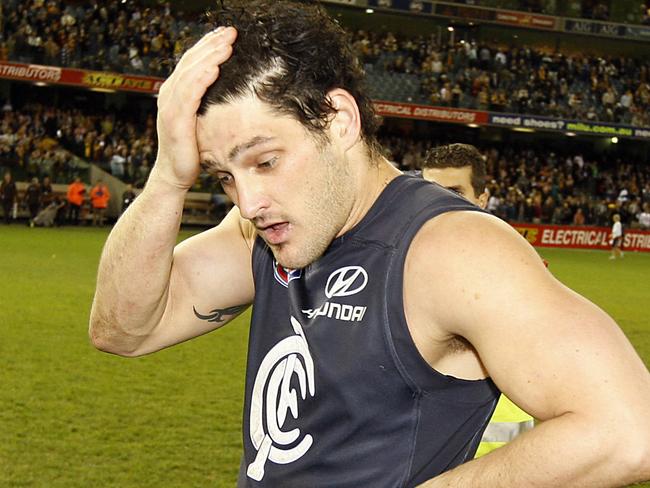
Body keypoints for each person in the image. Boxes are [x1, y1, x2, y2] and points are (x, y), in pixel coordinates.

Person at [89, 2, 650, 487]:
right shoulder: (262, 232)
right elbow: (123, 329)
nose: (248, 199)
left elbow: (629, 429)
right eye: (224, 176)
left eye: (266, 161)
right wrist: (168, 175)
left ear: (338, 121)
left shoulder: (449, 249)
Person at [420, 143, 535, 458]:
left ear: (482, 199)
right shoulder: (398, 264)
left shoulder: (519, 274)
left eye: (455, 192)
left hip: (498, 449)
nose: (439, 202)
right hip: (426, 452)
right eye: (429, 190)